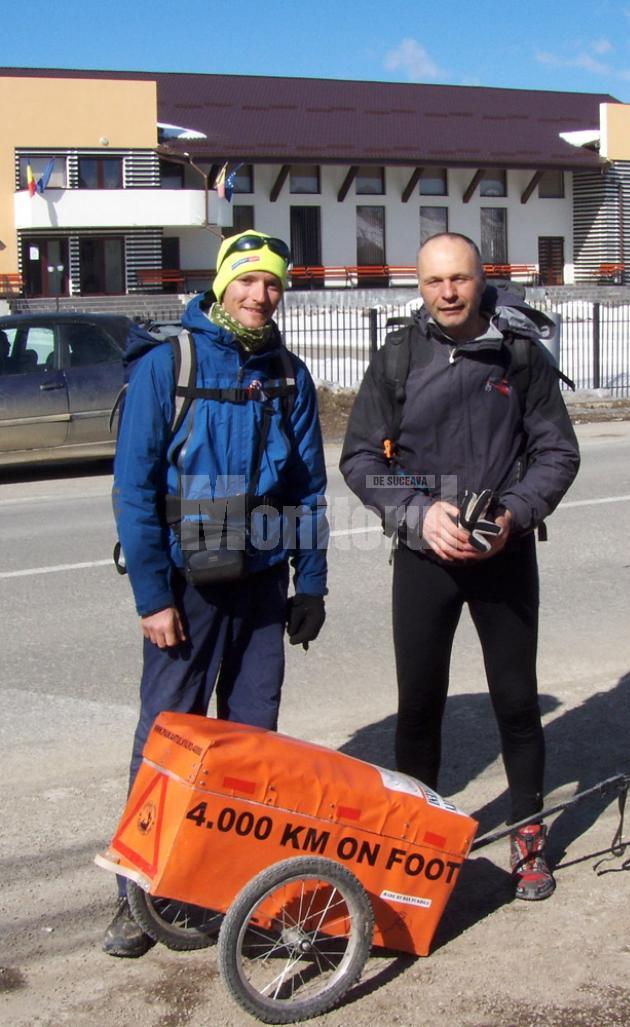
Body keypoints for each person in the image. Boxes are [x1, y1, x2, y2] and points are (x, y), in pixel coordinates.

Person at [104, 230, 328, 956]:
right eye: (249, 281)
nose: (261, 295)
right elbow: (135, 492)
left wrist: (311, 583)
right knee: (168, 739)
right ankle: (138, 895)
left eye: (273, 285)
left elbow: (308, 490)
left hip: (262, 583)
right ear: (223, 283)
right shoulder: (169, 366)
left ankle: (223, 883)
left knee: (250, 738)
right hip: (185, 587)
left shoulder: (289, 375)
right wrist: (151, 599)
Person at [340, 233, 580, 901]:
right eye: (434, 281)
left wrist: (515, 514)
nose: (447, 292)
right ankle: (415, 843)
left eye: (460, 279)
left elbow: (558, 453)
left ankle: (527, 834)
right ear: (419, 286)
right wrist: (418, 512)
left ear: (482, 280)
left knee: (516, 702)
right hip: (425, 559)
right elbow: (362, 457)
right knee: (417, 707)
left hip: (503, 552)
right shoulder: (398, 355)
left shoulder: (521, 352)